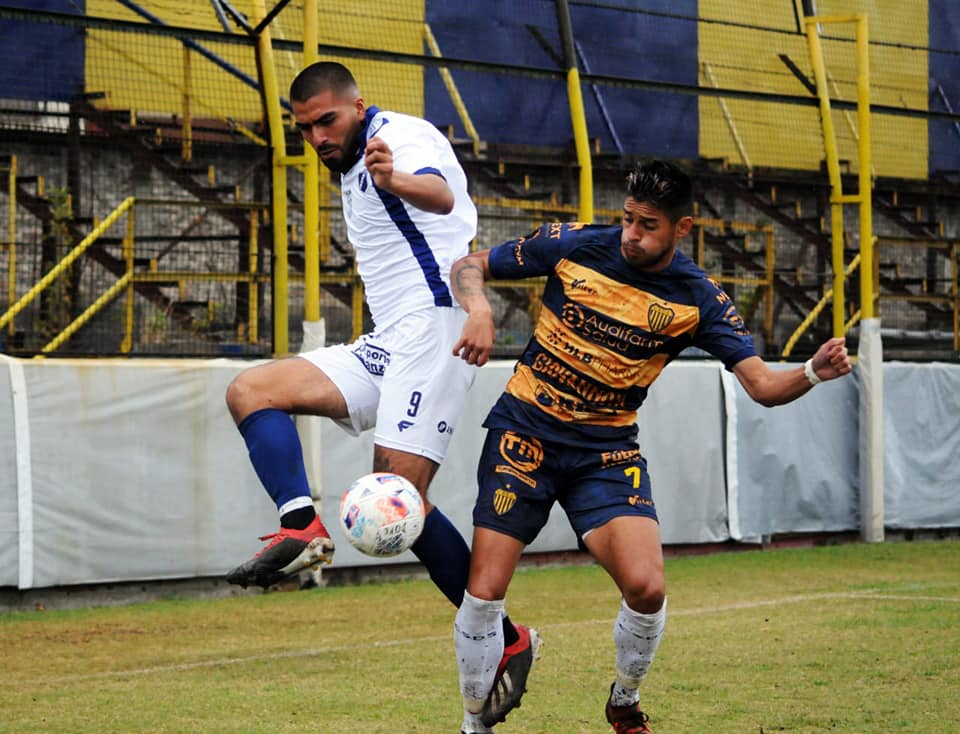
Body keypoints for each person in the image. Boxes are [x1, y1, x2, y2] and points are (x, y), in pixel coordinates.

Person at [448, 159, 853, 734]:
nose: (632, 235)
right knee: (485, 592)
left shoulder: (698, 299)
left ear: (682, 228)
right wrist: (481, 310)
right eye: (628, 219)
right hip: (526, 433)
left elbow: (762, 386)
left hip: (605, 453)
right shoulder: (574, 245)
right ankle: (475, 726)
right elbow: (469, 264)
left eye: (649, 225)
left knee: (648, 586)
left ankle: (624, 698)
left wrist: (811, 371)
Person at [223, 61, 482, 615]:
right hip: (391, 339)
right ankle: (300, 526)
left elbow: (440, 196)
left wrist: (395, 179)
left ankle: (497, 635)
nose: (317, 137)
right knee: (251, 391)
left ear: (358, 108)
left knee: (397, 499)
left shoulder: (396, 136)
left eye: (327, 121)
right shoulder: (351, 164)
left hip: (435, 330)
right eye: (305, 129)